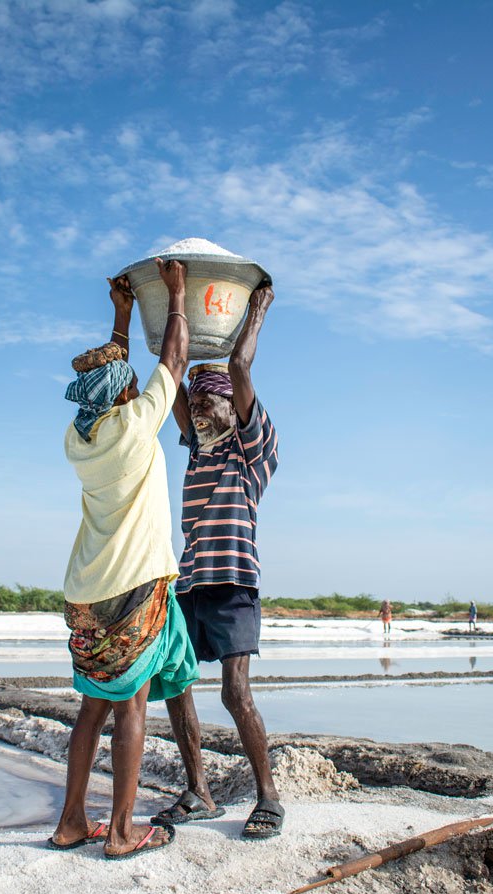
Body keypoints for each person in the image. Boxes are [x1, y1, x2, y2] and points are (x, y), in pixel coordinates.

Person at [50, 259, 196, 860]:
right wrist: (179, 293)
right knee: (132, 704)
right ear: (126, 395)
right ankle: (120, 831)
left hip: (85, 589)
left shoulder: (78, 438)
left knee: (93, 708)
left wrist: (122, 312)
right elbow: (177, 359)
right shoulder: (139, 425)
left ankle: (69, 823)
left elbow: (114, 375)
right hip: (133, 585)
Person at [155, 275, 284, 841]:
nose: (200, 412)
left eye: (210, 404)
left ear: (232, 408)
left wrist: (255, 311)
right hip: (189, 588)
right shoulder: (196, 447)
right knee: (177, 685)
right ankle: (199, 790)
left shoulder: (252, 449)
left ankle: (269, 797)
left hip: (234, 585)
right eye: (196, 406)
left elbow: (239, 369)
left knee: (235, 692)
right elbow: (173, 378)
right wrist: (168, 305)